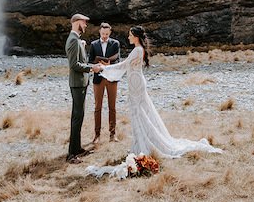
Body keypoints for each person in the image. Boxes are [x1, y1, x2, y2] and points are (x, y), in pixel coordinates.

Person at [95, 25, 222, 158]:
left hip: (136, 84)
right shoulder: (138, 50)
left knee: (139, 113)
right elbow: (126, 65)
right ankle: (139, 143)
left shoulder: (137, 50)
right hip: (135, 82)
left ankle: (144, 144)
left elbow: (123, 65)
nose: (128, 37)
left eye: (130, 35)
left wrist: (103, 68)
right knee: (139, 113)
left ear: (136, 37)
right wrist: (105, 67)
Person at [65, 13, 102, 164]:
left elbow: (79, 60)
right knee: (76, 117)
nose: (86, 25)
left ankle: (77, 148)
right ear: (76, 22)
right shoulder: (73, 40)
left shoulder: (76, 40)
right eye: (84, 22)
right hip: (77, 83)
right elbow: (74, 65)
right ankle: (71, 155)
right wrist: (92, 68)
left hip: (81, 82)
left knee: (79, 117)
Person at [88, 22, 120, 144]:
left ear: (110, 33)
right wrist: (97, 65)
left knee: (112, 107)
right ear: (99, 32)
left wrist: (109, 64)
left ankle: (112, 135)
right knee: (97, 107)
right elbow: (89, 61)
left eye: (107, 34)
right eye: (103, 34)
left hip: (111, 78)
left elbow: (118, 60)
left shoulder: (115, 44)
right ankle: (97, 135)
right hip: (98, 79)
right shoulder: (94, 44)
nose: (105, 36)